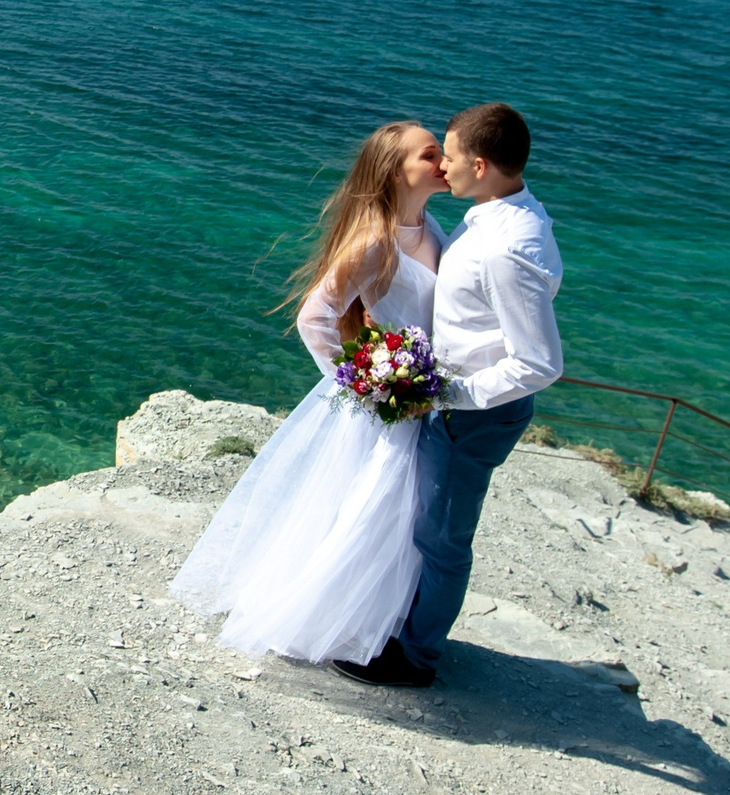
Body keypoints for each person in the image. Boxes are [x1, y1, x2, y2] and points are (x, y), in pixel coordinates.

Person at [170, 122, 451, 665]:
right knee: (371, 512)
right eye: (430, 153)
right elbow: (315, 316)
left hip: (416, 401)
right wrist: (364, 382)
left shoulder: (429, 225)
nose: (443, 160)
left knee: (394, 517)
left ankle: (372, 621)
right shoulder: (375, 240)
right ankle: (327, 621)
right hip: (387, 407)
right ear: (397, 171)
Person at [334, 101, 563, 689]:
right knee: (429, 528)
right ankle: (411, 629)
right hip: (457, 405)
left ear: (481, 165)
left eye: (453, 156)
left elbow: (539, 361)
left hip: (473, 415)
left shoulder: (505, 246)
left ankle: (416, 659)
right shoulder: (496, 213)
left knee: (441, 538)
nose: (446, 167)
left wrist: (446, 393)